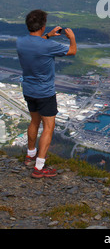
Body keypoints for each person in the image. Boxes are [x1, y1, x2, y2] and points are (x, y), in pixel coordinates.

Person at [16, 9, 77, 178]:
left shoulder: (21, 42)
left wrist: (48, 36)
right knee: (48, 127)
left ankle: (30, 156)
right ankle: (39, 167)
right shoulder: (48, 46)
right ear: (42, 26)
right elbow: (72, 51)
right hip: (45, 93)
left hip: (28, 89)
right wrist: (71, 37)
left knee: (34, 121)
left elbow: (36, 43)